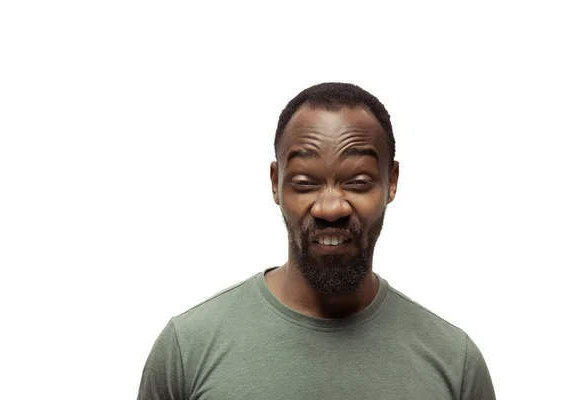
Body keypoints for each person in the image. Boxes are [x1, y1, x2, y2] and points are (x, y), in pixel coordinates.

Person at [136, 82, 496, 399]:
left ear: (392, 181)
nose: (331, 207)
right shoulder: (187, 350)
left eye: (357, 182)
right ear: (275, 183)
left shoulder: (454, 364)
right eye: (305, 183)